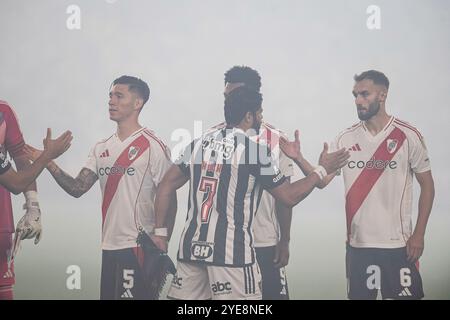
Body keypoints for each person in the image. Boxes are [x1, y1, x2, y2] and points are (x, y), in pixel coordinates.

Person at [151, 86, 349, 300]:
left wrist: (160, 234)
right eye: (259, 113)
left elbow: (166, 185)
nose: (261, 118)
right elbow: (289, 197)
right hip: (232, 255)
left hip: (190, 251)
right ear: (248, 116)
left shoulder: (198, 144)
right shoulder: (254, 151)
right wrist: (321, 170)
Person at [279, 70, 435, 300]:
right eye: (355, 95)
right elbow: (321, 180)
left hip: (399, 246)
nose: (358, 101)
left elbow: (428, 186)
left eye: (364, 94)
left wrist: (419, 234)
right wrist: (299, 158)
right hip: (359, 248)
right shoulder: (345, 139)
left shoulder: (408, 135)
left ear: (382, 95)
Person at [24, 76, 176, 300]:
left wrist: (162, 237)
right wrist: (47, 161)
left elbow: (168, 192)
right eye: (110, 96)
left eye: (119, 96)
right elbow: (77, 188)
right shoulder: (101, 148)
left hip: (137, 246)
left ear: (138, 103)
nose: (111, 101)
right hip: (109, 246)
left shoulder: (153, 145)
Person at [209, 66, 295, 299]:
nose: (227, 101)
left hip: (264, 242)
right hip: (223, 245)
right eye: (225, 96)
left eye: (232, 95)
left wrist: (284, 240)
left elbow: (285, 198)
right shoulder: (210, 138)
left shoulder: (278, 141)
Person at [0, 100, 72, 300]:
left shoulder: (3, 111)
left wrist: (33, 207)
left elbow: (20, 156)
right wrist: (48, 154)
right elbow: (16, 183)